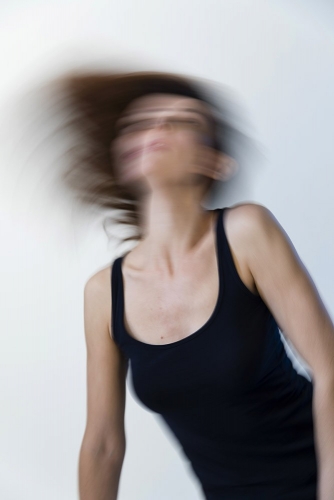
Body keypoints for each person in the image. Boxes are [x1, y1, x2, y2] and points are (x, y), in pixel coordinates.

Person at [55, 71, 334, 499]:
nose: (157, 128)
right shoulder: (104, 293)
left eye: (183, 120)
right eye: (139, 123)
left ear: (214, 161)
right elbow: (103, 445)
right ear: (124, 156)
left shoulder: (245, 231)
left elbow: (330, 367)